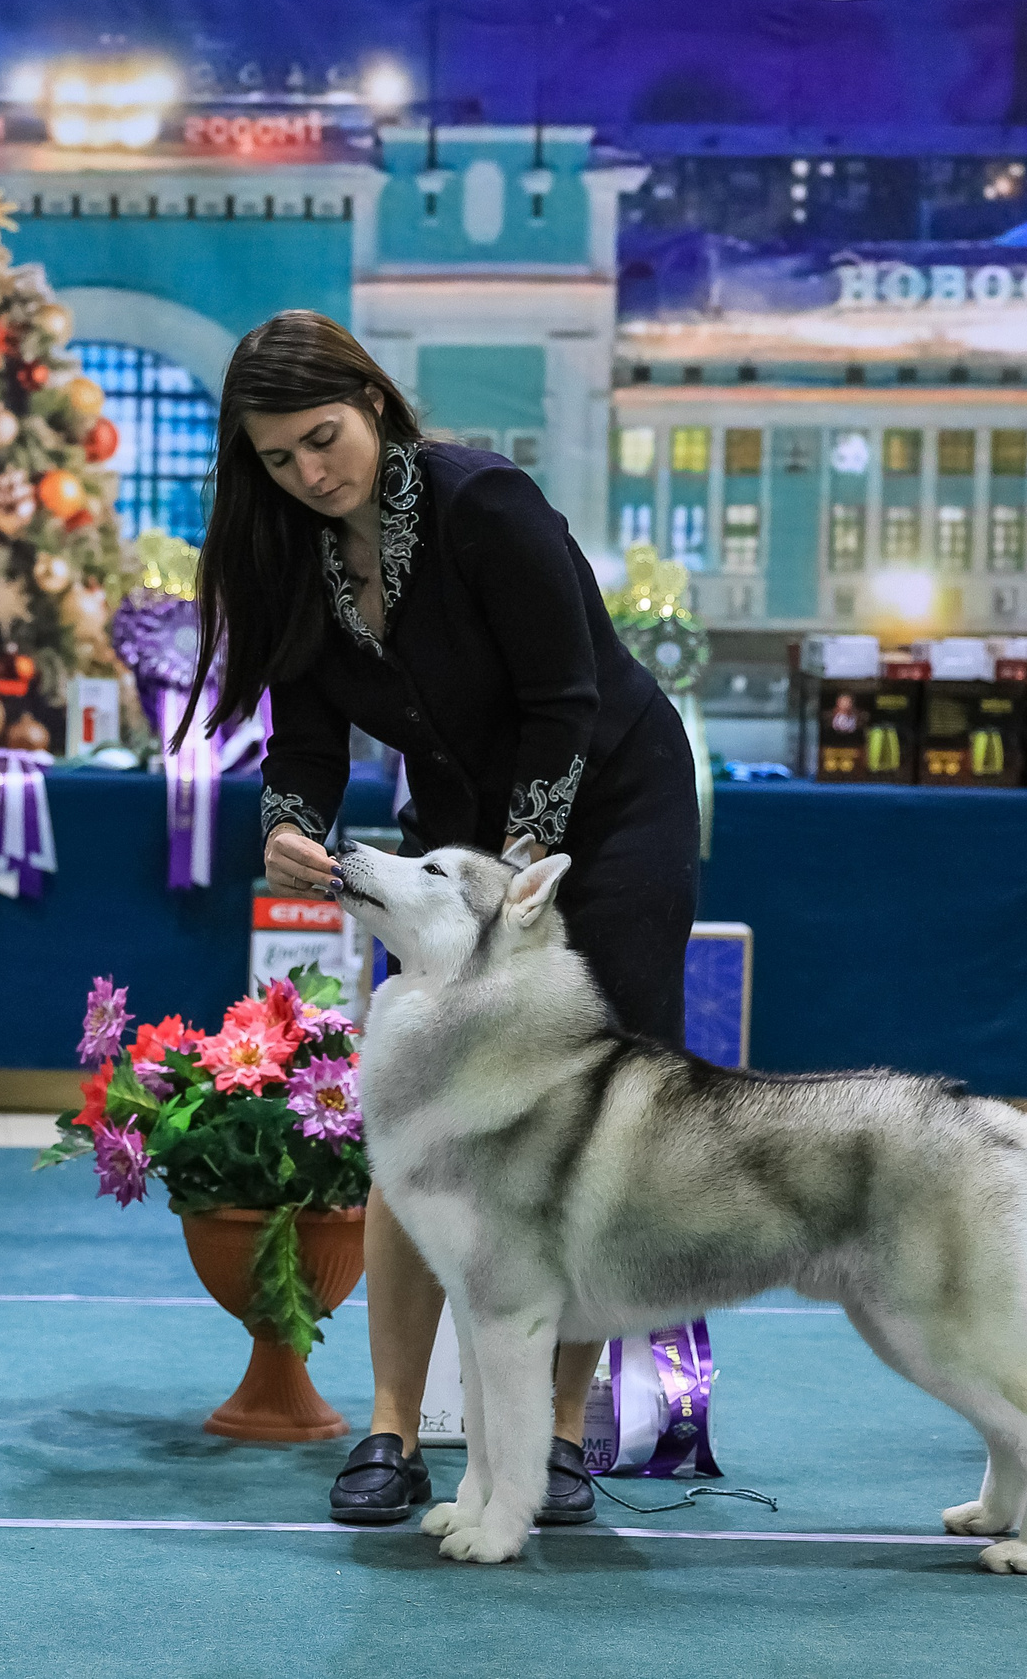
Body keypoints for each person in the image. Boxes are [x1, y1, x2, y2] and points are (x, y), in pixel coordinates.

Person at [184, 310, 699, 1527]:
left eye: (323, 439)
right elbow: (303, 733)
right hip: (462, 833)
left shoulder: (484, 505)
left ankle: (560, 1440)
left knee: (575, 1126)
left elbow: (562, 703)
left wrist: (518, 886)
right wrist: (286, 823)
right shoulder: (288, 553)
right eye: (277, 459)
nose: (310, 474)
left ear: (371, 400)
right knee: (419, 1116)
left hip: (610, 810)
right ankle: (391, 1430)